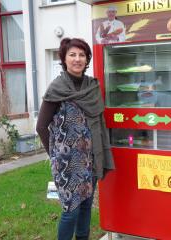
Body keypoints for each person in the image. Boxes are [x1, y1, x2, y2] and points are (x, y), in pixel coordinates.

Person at [36, 38, 115, 240]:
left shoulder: (92, 87)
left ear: (87, 59)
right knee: (71, 211)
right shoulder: (57, 89)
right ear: (64, 58)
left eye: (81, 55)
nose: (77, 59)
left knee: (87, 205)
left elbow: (100, 122)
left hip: (91, 158)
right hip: (67, 162)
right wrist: (54, 155)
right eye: (72, 55)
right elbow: (41, 127)